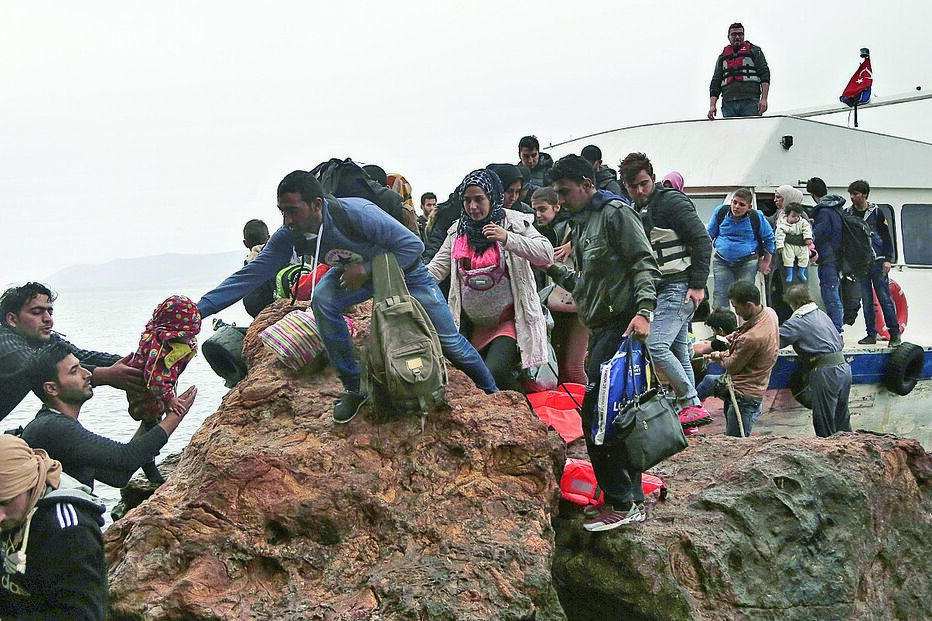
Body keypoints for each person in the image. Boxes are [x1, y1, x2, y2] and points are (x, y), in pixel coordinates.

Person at [196, 171, 499, 423]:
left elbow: (413, 247)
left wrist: (366, 269)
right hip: (354, 274)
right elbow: (251, 274)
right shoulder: (291, 234)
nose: (286, 219)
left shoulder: (356, 213)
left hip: (404, 271)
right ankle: (354, 387)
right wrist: (200, 310)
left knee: (450, 343)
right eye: (282, 211)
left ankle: (492, 393)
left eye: (292, 210)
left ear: (316, 204)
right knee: (323, 299)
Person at [547, 154, 660, 531]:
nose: (560, 200)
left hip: (622, 329)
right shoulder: (581, 224)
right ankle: (628, 498)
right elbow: (586, 285)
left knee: (598, 416)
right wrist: (550, 267)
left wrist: (644, 311)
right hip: (600, 330)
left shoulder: (615, 214)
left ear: (586, 184)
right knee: (617, 415)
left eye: (565, 192)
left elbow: (643, 263)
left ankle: (622, 501)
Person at [427, 169, 553, 393]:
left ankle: (524, 412)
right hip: (472, 325)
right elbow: (436, 269)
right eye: (467, 201)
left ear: (493, 197)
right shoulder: (457, 232)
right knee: (472, 380)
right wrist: (406, 283)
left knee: (495, 372)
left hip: (508, 322)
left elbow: (546, 253)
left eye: (479, 199)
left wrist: (507, 238)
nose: (473, 207)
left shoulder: (514, 223)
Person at [21, 341, 198, 490]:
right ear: (51, 388)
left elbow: (117, 476)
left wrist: (151, 418)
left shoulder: (54, 424)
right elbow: (126, 458)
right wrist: (175, 416)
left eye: (81, 366)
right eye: (74, 371)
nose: (87, 374)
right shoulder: (52, 428)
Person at [620, 152, 713, 428]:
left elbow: (701, 240)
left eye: (644, 184)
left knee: (655, 344)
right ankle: (691, 413)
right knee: (679, 351)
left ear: (653, 178)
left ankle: (689, 400)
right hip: (663, 288)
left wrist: (698, 284)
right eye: (633, 186)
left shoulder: (672, 202)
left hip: (679, 286)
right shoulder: (635, 209)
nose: (640, 191)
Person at [0, 282, 144, 422]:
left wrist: (138, 363)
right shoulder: (4, 339)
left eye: (50, 312)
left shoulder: (43, 339)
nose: (48, 319)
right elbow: (34, 367)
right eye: (37, 312)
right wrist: (107, 375)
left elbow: (83, 356)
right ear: (12, 319)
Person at [0, 435, 107, 620]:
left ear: (30, 484)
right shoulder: (13, 514)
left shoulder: (69, 530)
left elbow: (83, 615)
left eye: (6, 501)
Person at [704, 281, 779, 437]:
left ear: (749, 305)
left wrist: (718, 355)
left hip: (744, 397)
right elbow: (749, 330)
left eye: (737, 307)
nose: (736, 312)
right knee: (709, 381)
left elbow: (731, 366)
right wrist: (736, 335)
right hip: (753, 390)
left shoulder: (751, 338)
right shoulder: (770, 313)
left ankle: (690, 407)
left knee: (735, 442)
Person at [779, 285, 852, 437]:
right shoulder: (822, 315)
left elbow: (772, 341)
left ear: (793, 304)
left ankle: (828, 450)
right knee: (842, 419)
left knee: (824, 422)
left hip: (825, 371)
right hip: (844, 368)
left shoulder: (796, 322)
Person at [531, 187, 587, 385]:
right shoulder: (538, 233)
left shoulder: (575, 226)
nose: (538, 214)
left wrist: (573, 244)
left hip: (579, 302)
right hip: (554, 304)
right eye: (535, 210)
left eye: (542, 209)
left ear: (557, 207)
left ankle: (591, 402)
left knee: (574, 367)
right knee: (559, 368)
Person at [846, 179, 901, 346]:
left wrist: (888, 258)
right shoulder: (848, 213)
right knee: (866, 300)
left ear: (864, 195)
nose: (852, 197)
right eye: (851, 194)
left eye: (855, 194)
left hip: (877, 261)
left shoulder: (876, 212)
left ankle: (894, 333)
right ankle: (871, 333)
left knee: (884, 298)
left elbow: (886, 236)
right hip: (860, 263)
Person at [707, 189, 775, 310]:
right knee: (720, 296)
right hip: (722, 261)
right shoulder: (721, 212)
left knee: (745, 297)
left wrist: (766, 262)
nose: (736, 207)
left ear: (749, 207)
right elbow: (709, 235)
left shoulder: (756, 217)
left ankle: (747, 322)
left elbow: (769, 239)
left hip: (748, 262)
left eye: (741, 204)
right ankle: (721, 322)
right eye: (735, 202)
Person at [806, 177, 846, 332]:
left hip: (829, 258)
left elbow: (818, 234)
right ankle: (837, 327)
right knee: (833, 292)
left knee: (830, 294)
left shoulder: (823, 211)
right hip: (838, 256)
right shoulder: (836, 208)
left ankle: (836, 330)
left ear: (813, 195)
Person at [708, 22, 770, 119]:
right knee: (731, 129)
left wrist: (764, 99)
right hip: (728, 103)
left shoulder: (754, 51)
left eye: (740, 34)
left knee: (751, 128)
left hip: (751, 101)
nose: (737, 37)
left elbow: (764, 74)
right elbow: (716, 81)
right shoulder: (722, 57)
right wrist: (712, 105)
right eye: (734, 34)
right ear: (728, 37)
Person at [242, 219, 277, 318]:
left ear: (245, 243)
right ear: (268, 238)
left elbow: (251, 304)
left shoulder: (249, 265)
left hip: (264, 316)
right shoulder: (281, 256)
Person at [775, 203, 814, 283]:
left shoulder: (803, 222)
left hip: (802, 246)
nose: (796, 218)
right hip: (788, 246)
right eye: (793, 216)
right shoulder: (782, 224)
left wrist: (808, 238)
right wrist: (780, 246)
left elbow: (807, 230)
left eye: (798, 216)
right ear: (787, 215)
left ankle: (801, 272)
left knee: (804, 257)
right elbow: (779, 236)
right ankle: (789, 274)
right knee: (787, 257)